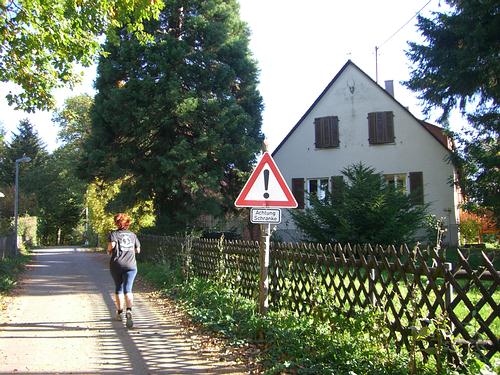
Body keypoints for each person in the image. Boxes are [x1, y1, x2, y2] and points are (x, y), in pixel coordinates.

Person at [107, 213, 141, 328]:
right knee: (128, 289)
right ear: (127, 223)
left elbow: (111, 245)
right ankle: (129, 310)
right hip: (131, 265)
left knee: (119, 288)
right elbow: (138, 250)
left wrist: (109, 250)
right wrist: (130, 251)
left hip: (117, 264)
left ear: (116, 223)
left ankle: (120, 312)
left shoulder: (114, 234)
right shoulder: (133, 235)